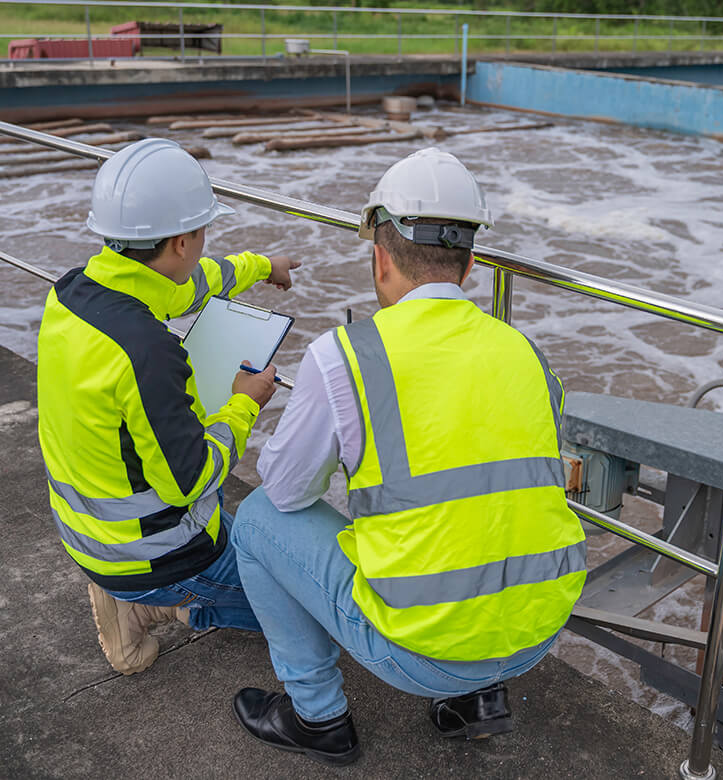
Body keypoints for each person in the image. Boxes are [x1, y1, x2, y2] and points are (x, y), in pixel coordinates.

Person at [230, 148, 587, 767]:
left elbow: (286, 492)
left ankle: (317, 717)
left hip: (424, 655)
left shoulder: (344, 355)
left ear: (379, 257)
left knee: (260, 518)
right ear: (470, 264)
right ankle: (477, 701)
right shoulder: (526, 352)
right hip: (537, 633)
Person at [36, 138, 300, 676]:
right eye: (203, 234)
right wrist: (243, 405)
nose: (204, 247)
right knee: (311, 612)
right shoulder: (147, 353)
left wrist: (260, 266)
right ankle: (162, 604)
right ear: (182, 241)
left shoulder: (74, 292)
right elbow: (192, 481)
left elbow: (188, 287)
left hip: (84, 530)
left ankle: (127, 592)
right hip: (152, 555)